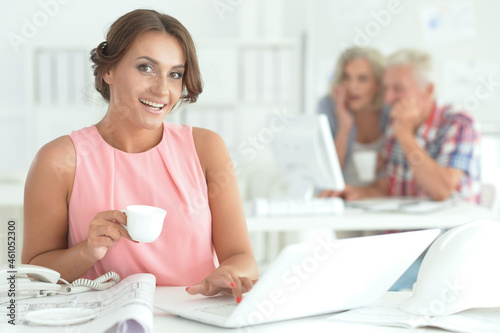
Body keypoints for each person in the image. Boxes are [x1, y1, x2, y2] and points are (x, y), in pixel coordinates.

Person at [22, 9, 258, 303]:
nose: (162, 89)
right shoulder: (58, 160)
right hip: (102, 319)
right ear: (109, 71)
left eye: (175, 74)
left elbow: (242, 256)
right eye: (146, 68)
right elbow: (33, 273)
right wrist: (86, 252)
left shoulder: (207, 148)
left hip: (194, 318)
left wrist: (230, 273)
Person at [326, 49, 481, 203]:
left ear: (428, 90)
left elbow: (441, 190)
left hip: (447, 226)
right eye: (386, 88)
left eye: (398, 89)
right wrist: (355, 193)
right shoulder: (396, 122)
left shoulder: (460, 124)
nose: (387, 98)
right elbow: (387, 187)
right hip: (405, 225)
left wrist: (406, 136)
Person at [317, 47, 389, 188]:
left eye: (362, 79)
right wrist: (344, 126)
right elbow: (326, 176)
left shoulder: (389, 110)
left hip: (380, 199)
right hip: (341, 197)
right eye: (346, 78)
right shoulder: (329, 107)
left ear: (378, 84)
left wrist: (386, 165)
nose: (352, 87)